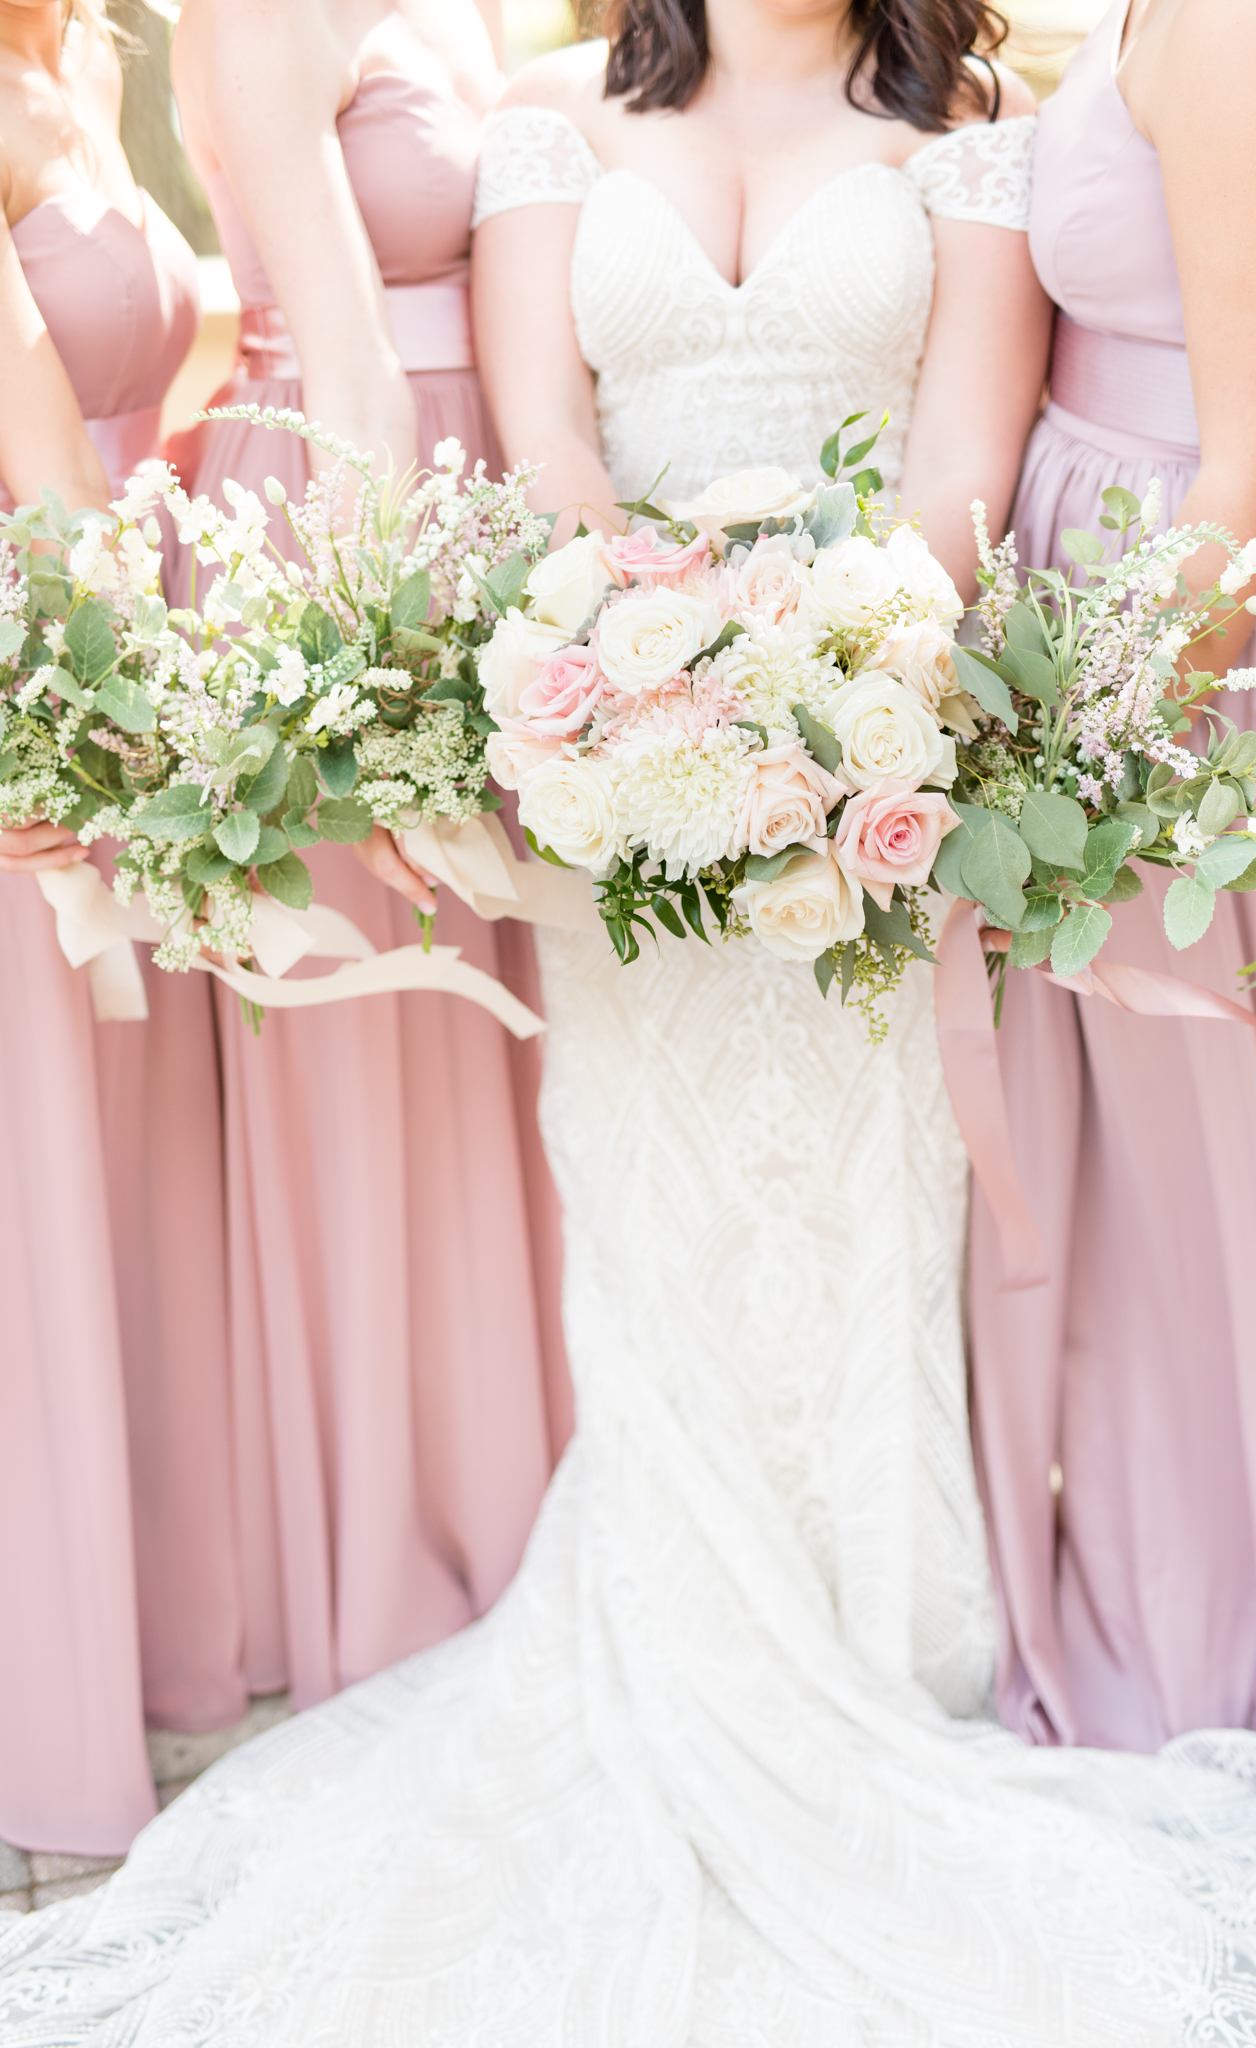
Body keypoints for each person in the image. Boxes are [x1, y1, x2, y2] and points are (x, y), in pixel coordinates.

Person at [7, 5, 1256, 2038]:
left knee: (867, 1226)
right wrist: (636, 671)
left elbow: (960, 478)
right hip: (614, 784)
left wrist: (834, 698)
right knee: (654, 1234)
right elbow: (547, 445)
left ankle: (900, 1646)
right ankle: (671, 1624)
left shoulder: (976, 140)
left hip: (873, 787)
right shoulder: (550, 126)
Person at [968, 0, 1256, 1770]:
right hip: (1130, 607)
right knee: (1149, 1186)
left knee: (1223, 1172)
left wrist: (1101, 760)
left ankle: (1235, 1665)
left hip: (1218, 641)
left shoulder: (1255, 15)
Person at [162, 0, 572, 1715]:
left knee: (498, 1076)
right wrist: (386, 680)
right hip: (345, 542)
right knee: (375, 1069)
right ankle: (390, 1590)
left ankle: (533, 1528)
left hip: (484, 518)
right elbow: (345, 378)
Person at [0, 0, 238, 1858]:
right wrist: (153, 702)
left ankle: (138, 1628)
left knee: (115, 1166)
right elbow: (53, 483)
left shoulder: (86, 53)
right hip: (48, 653)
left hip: (121, 618)